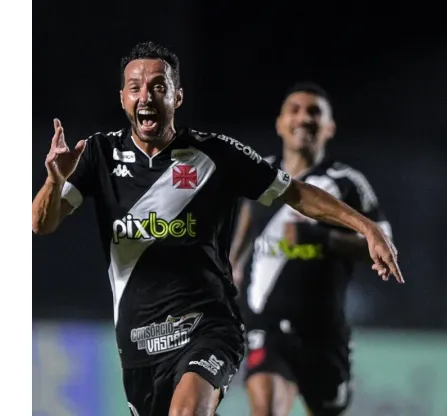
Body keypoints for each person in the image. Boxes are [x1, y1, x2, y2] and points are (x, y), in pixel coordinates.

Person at [30, 42, 403, 416]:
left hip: (209, 327)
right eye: (135, 87)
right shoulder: (98, 155)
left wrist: (366, 226)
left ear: (177, 96)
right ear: (124, 98)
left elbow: (297, 192)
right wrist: (53, 179)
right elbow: (41, 223)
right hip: (139, 342)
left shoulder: (218, 155)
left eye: (158, 86)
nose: (147, 96)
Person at [228, 82, 393, 416]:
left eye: (314, 112)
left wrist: (322, 238)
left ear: (329, 127)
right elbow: (244, 233)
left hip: (324, 332)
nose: (303, 118)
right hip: (267, 326)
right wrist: (231, 270)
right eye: (295, 110)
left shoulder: (347, 183)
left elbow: (382, 246)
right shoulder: (260, 176)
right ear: (280, 123)